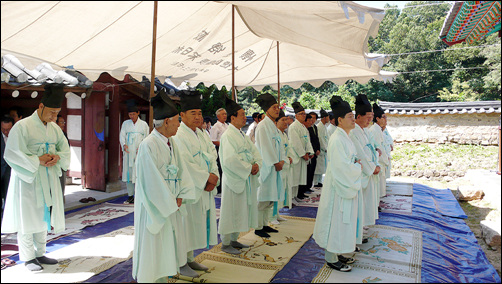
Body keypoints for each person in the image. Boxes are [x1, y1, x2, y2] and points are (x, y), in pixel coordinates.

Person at [2, 84, 70, 271]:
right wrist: (36, 160)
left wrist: (57, 157)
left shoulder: (54, 128)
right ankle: (28, 257)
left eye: (56, 113)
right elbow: (12, 153)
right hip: (28, 179)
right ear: (40, 107)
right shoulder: (22, 127)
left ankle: (40, 252)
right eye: (51, 112)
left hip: (47, 177)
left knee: (43, 215)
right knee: (27, 216)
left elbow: (64, 149)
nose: (54, 117)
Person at [132, 90, 197, 282]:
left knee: (166, 249)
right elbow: (150, 183)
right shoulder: (148, 145)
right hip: (155, 207)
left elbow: (182, 171)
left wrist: (182, 194)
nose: (179, 124)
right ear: (167, 121)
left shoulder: (172, 143)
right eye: (177, 120)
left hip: (171, 204)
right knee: (154, 249)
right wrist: (170, 201)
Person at [313, 96, 363, 272]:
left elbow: (349, 161)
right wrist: (357, 167)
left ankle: (339, 251)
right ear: (340, 120)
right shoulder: (336, 139)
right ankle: (331, 257)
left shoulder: (345, 136)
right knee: (336, 220)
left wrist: (355, 164)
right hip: (338, 188)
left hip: (346, 185)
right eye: (350, 116)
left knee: (344, 222)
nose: (353, 119)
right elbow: (342, 167)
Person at [172, 90, 219, 273]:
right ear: (182, 115)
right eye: (193, 113)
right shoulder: (178, 135)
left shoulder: (202, 134)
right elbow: (185, 163)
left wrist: (213, 175)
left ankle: (189, 258)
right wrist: (207, 177)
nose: (198, 117)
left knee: (195, 224)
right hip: (189, 188)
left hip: (203, 186)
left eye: (199, 113)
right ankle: (180, 262)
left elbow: (212, 156)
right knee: (185, 225)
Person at [218, 96, 262, 255]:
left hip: (244, 178)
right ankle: (225, 242)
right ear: (233, 118)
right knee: (231, 210)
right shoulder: (228, 135)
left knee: (240, 210)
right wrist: (249, 167)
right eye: (242, 114)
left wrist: (256, 163)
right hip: (234, 179)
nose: (245, 117)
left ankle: (234, 239)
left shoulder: (241, 134)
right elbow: (230, 160)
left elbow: (254, 150)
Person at [254, 92, 284, 238]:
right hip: (267, 166)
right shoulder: (262, 126)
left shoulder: (273, 125)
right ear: (267, 110)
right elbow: (265, 147)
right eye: (274, 107)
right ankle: (258, 227)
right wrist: (275, 162)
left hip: (275, 166)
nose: (277, 109)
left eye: (278, 107)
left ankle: (265, 223)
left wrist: (282, 159)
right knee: (263, 197)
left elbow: (280, 145)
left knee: (270, 197)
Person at [349, 94, 380, 237]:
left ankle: (362, 225)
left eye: (372, 116)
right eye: (367, 116)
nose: (370, 119)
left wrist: (375, 164)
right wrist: (372, 168)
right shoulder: (354, 130)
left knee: (366, 202)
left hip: (369, 170)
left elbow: (370, 149)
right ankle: (357, 228)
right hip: (361, 172)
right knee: (360, 203)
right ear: (358, 116)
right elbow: (360, 153)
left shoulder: (365, 130)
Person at [119, 99, 149, 204]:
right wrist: (124, 144)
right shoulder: (125, 124)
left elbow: (147, 138)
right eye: (130, 114)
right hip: (128, 153)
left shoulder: (144, 125)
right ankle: (130, 196)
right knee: (129, 175)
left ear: (138, 113)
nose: (131, 116)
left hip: (139, 152)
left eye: (133, 114)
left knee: (139, 173)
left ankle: (140, 195)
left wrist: (141, 147)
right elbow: (122, 135)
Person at [288, 102, 314, 202]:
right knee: (294, 178)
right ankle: (290, 198)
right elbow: (296, 143)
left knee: (299, 178)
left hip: (303, 156)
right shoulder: (293, 126)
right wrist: (303, 154)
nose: (304, 116)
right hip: (296, 156)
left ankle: (295, 196)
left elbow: (307, 141)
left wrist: (309, 152)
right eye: (301, 114)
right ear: (296, 115)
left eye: (304, 113)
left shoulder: (303, 127)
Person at [270, 110, 292, 224]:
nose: (285, 122)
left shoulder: (283, 134)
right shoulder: (275, 134)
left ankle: (277, 213)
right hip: (278, 167)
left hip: (285, 166)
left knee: (281, 191)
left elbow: (288, 149)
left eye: (286, 120)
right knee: (275, 191)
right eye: (283, 120)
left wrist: (289, 157)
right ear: (276, 122)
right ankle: (271, 216)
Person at [368, 103, 390, 199]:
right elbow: (377, 149)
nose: (385, 120)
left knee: (380, 187)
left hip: (382, 161)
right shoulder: (374, 130)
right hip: (378, 162)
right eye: (383, 117)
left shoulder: (379, 129)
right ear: (377, 118)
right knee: (377, 188)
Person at [299, 113, 320, 197]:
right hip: (303, 155)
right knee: (304, 174)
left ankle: (307, 188)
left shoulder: (312, 128)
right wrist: (306, 153)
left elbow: (314, 140)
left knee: (310, 171)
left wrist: (313, 151)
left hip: (311, 153)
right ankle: (301, 191)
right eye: (310, 120)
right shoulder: (295, 127)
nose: (311, 122)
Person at [210, 108, 228, 195]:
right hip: (220, 148)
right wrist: (223, 144)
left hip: (227, 149)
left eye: (225, 114)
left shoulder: (226, 126)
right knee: (220, 167)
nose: (225, 116)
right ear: (218, 116)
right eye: (223, 114)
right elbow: (213, 140)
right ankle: (219, 188)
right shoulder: (215, 127)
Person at [1, 115, 14, 224]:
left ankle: (7, 221)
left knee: (9, 197)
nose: (6, 132)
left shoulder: (16, 137)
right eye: (3, 129)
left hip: (10, 172)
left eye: (8, 129)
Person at [314, 109, 330, 187]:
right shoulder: (319, 127)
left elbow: (326, 138)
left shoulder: (324, 126)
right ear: (324, 118)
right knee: (318, 167)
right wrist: (325, 147)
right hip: (320, 149)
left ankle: (319, 181)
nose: (328, 119)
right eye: (327, 117)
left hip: (324, 149)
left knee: (322, 167)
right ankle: (316, 182)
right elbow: (320, 139)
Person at [56, 115, 69, 204]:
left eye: (64, 122)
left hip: (61, 163)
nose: (63, 124)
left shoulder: (63, 134)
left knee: (61, 188)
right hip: (53, 163)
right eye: (61, 122)